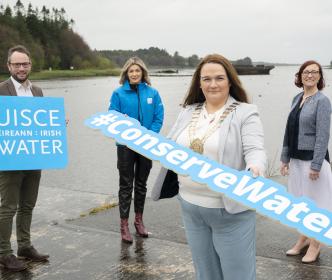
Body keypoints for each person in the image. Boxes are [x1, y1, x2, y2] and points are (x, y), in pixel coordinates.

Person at [155, 54, 266, 280]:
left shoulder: (245, 112)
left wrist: (255, 167)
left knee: (238, 275)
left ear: (230, 81)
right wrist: (136, 134)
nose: (212, 84)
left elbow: (255, 149)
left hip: (230, 210)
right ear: (199, 82)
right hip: (190, 207)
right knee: (205, 274)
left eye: (219, 78)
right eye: (206, 79)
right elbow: (168, 145)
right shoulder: (188, 111)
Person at [0, 45, 49, 271]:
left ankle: (25, 245)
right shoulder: (1, 90)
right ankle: (4, 252)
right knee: (8, 207)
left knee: (28, 204)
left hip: (34, 155)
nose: (21, 68)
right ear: (9, 66)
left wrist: (56, 123)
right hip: (10, 157)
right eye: (17, 64)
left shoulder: (37, 91)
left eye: (25, 64)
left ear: (30, 65)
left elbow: (41, 122)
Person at [280, 60, 332, 263]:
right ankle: (303, 238)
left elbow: (322, 135)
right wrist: (284, 158)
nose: (309, 75)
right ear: (300, 76)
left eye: (314, 72)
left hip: (312, 160)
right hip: (296, 159)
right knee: (301, 202)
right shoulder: (296, 97)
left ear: (320, 77)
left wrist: (316, 165)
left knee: (317, 204)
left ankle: (316, 244)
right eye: (306, 72)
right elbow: (288, 130)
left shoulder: (323, 101)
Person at [109, 57, 164, 243]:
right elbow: (111, 116)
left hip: (146, 145)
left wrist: (148, 136)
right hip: (124, 146)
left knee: (141, 184)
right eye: (131, 71)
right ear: (126, 73)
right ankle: (124, 225)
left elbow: (158, 117)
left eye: (137, 71)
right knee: (126, 185)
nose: (134, 74)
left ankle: (138, 222)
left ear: (142, 73)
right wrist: (119, 119)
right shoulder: (118, 93)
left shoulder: (153, 93)